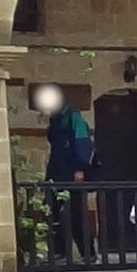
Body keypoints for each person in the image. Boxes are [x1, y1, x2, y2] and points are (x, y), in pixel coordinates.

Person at [43, 100, 101, 262]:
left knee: (77, 213)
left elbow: (83, 145)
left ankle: (88, 253)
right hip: (56, 171)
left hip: (72, 172)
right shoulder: (55, 119)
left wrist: (80, 169)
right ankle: (58, 252)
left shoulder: (74, 119)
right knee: (51, 211)